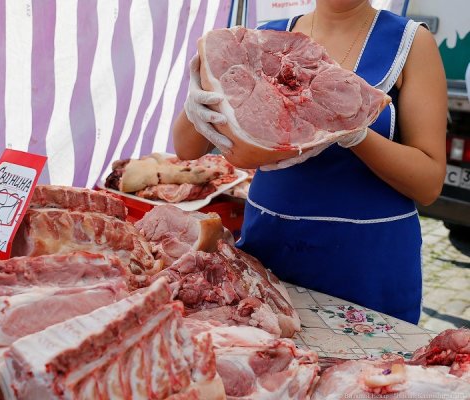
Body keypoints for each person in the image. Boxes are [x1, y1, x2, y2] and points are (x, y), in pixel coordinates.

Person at [172, 0, 447, 324]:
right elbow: (186, 149)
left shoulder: (410, 42)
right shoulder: (266, 39)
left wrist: (356, 134)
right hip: (270, 251)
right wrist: (196, 105)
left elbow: (428, 184)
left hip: (367, 266)